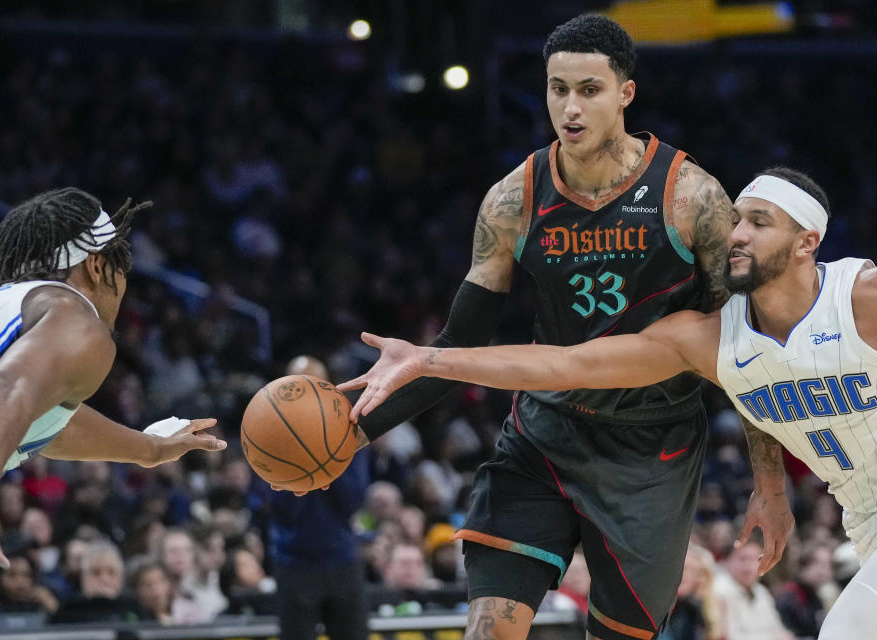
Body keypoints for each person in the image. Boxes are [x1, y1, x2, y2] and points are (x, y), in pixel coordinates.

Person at [332, 13, 792, 640]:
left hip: (651, 447)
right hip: (546, 432)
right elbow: (458, 345)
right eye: (557, 89)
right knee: (489, 631)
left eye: (589, 90)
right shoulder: (512, 200)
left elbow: (747, 350)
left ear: (625, 93)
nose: (569, 108)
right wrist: (348, 439)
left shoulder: (692, 198)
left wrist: (768, 481)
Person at [340, 166, 877, 640]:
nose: (737, 235)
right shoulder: (708, 338)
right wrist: (430, 360)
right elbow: (566, 365)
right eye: (736, 219)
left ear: (807, 243)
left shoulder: (859, 300)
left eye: (759, 223)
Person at [0, 187, 226, 640]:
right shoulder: (75, 316)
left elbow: (39, 418)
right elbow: (7, 388)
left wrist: (152, 448)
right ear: (98, 264)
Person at [268, 355, 370, 640]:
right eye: (298, 385)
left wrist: (321, 456)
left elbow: (354, 500)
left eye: (315, 384)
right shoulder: (268, 429)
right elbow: (275, 505)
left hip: (341, 557)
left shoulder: (347, 427)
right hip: (293, 560)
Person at [713, 540, 793, 640]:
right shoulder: (717, 591)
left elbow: (779, 631)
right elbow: (728, 637)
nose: (748, 567)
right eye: (742, 559)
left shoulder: (762, 592)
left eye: (755, 560)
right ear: (727, 561)